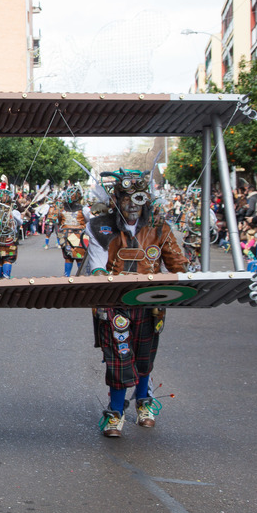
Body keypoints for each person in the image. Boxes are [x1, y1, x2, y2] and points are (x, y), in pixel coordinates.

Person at [85, 169, 187, 438]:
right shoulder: (99, 225)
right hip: (113, 302)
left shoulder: (158, 226)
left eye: (138, 197)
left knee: (144, 357)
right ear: (116, 198)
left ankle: (144, 404)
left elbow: (177, 264)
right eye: (126, 197)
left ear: (146, 199)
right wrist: (102, 278)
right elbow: (96, 264)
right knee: (118, 358)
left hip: (149, 303)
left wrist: (187, 279)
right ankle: (116, 411)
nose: (132, 204)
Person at [47, 186, 88, 277]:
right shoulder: (84, 209)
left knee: (68, 257)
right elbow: (89, 220)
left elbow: (59, 220)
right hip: (78, 236)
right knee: (78, 257)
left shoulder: (62, 209)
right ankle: (81, 276)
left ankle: (67, 276)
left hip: (67, 236)